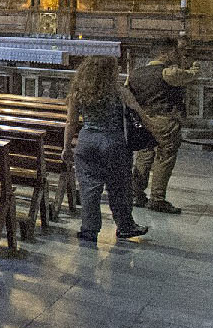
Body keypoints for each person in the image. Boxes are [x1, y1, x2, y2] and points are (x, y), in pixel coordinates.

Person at [64, 55, 152, 242]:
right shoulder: (120, 92)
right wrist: (156, 134)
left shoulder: (78, 92)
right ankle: (125, 225)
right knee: (120, 187)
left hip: (87, 143)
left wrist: (66, 147)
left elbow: (71, 123)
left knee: (89, 189)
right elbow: (139, 114)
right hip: (114, 143)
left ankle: (89, 229)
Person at [129, 37, 196, 214]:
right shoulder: (168, 73)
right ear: (166, 53)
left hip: (143, 120)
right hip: (164, 120)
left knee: (144, 156)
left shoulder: (135, 73)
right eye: (175, 51)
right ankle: (157, 198)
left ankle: (136, 194)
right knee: (164, 157)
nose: (176, 54)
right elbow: (190, 76)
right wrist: (194, 68)